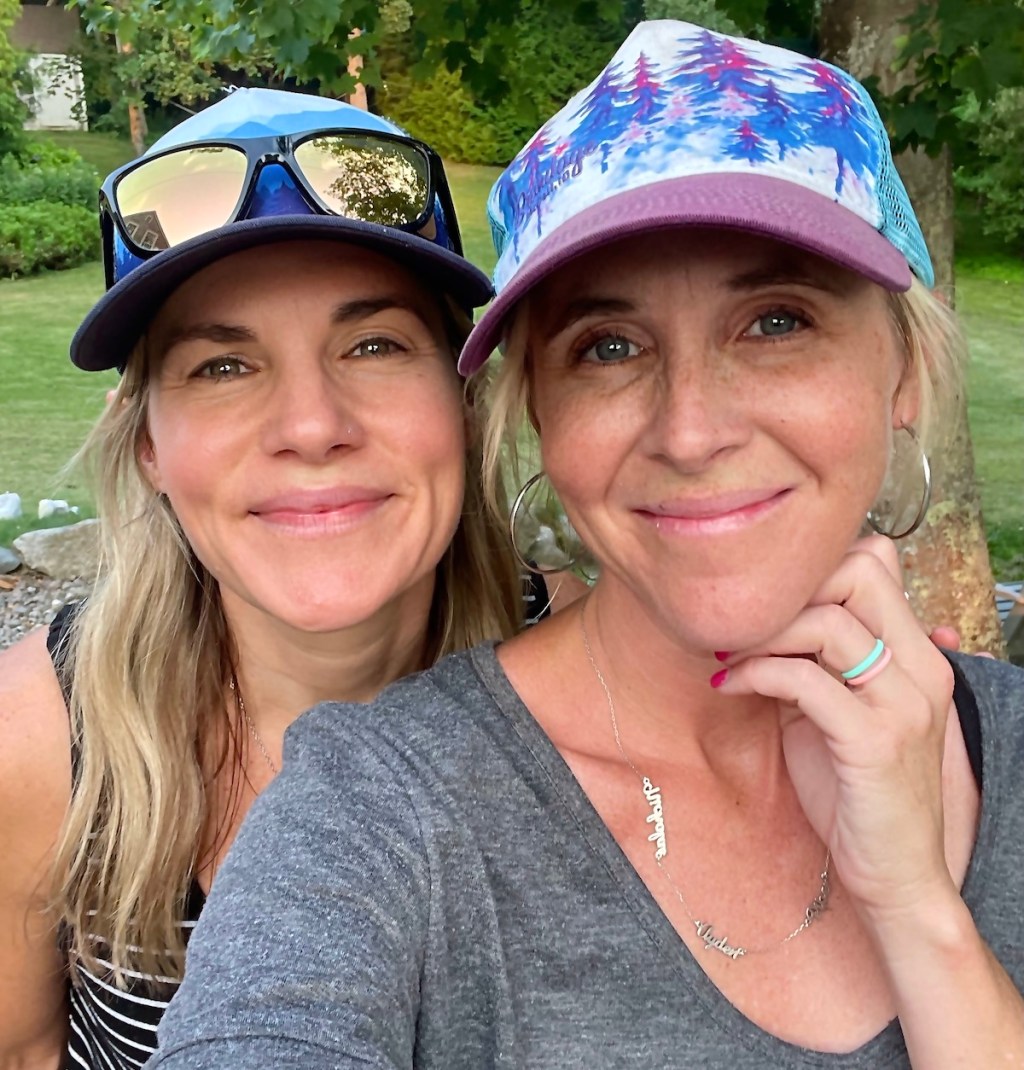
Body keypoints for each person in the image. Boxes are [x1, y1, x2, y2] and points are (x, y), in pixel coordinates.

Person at [149, 24, 1024, 1070]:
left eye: (776, 321)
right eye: (607, 347)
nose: (691, 429)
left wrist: (919, 910)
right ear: (537, 415)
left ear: (902, 373)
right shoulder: (373, 808)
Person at [0, 88, 532, 1070]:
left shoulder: (613, 689)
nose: (309, 424)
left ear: (464, 399)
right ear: (150, 443)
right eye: (221, 366)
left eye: (373, 345)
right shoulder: (38, 740)